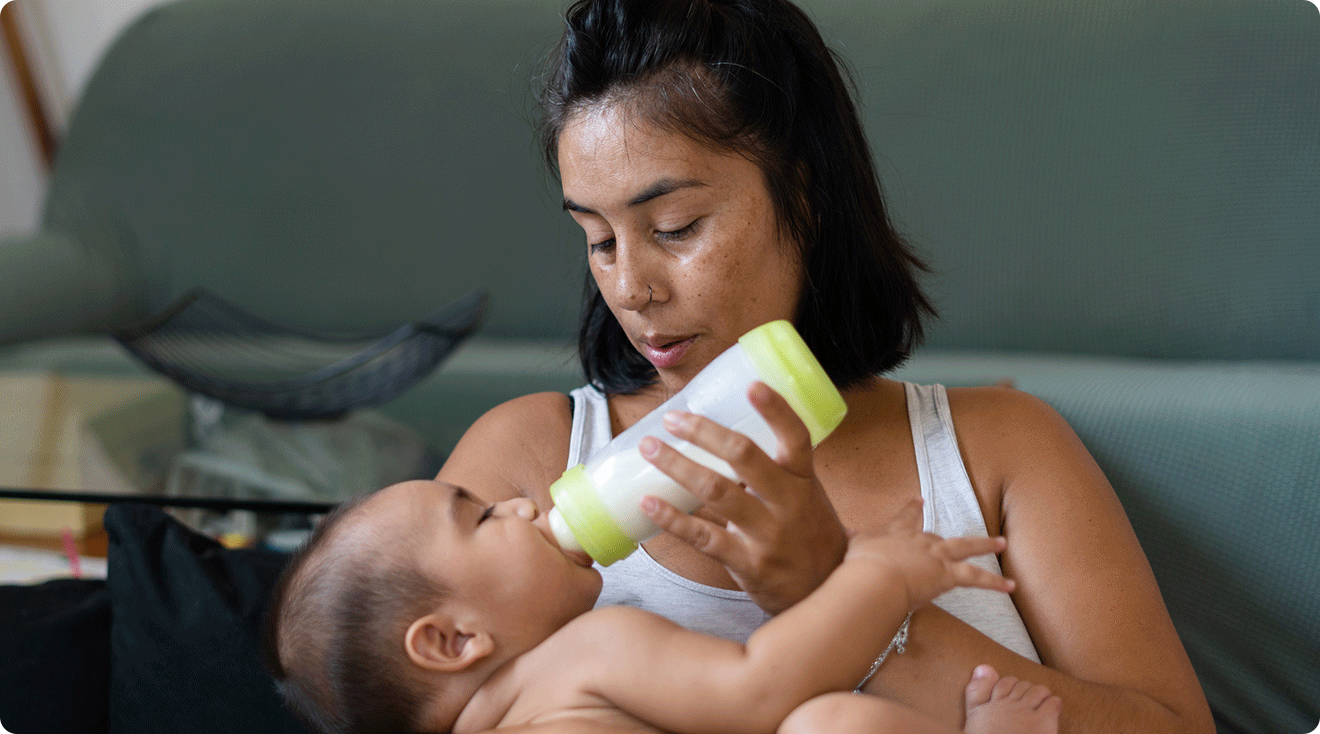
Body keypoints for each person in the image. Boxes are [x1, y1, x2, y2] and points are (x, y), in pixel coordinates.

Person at [438, 0, 1215, 732]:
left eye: (675, 227)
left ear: (804, 198)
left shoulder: (1000, 448)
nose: (631, 288)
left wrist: (830, 585)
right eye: (599, 241)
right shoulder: (527, 466)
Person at [265, 478, 1062, 734]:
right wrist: (880, 578)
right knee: (836, 726)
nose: (515, 502)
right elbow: (760, 687)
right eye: (479, 517)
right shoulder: (584, 655)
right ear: (450, 641)